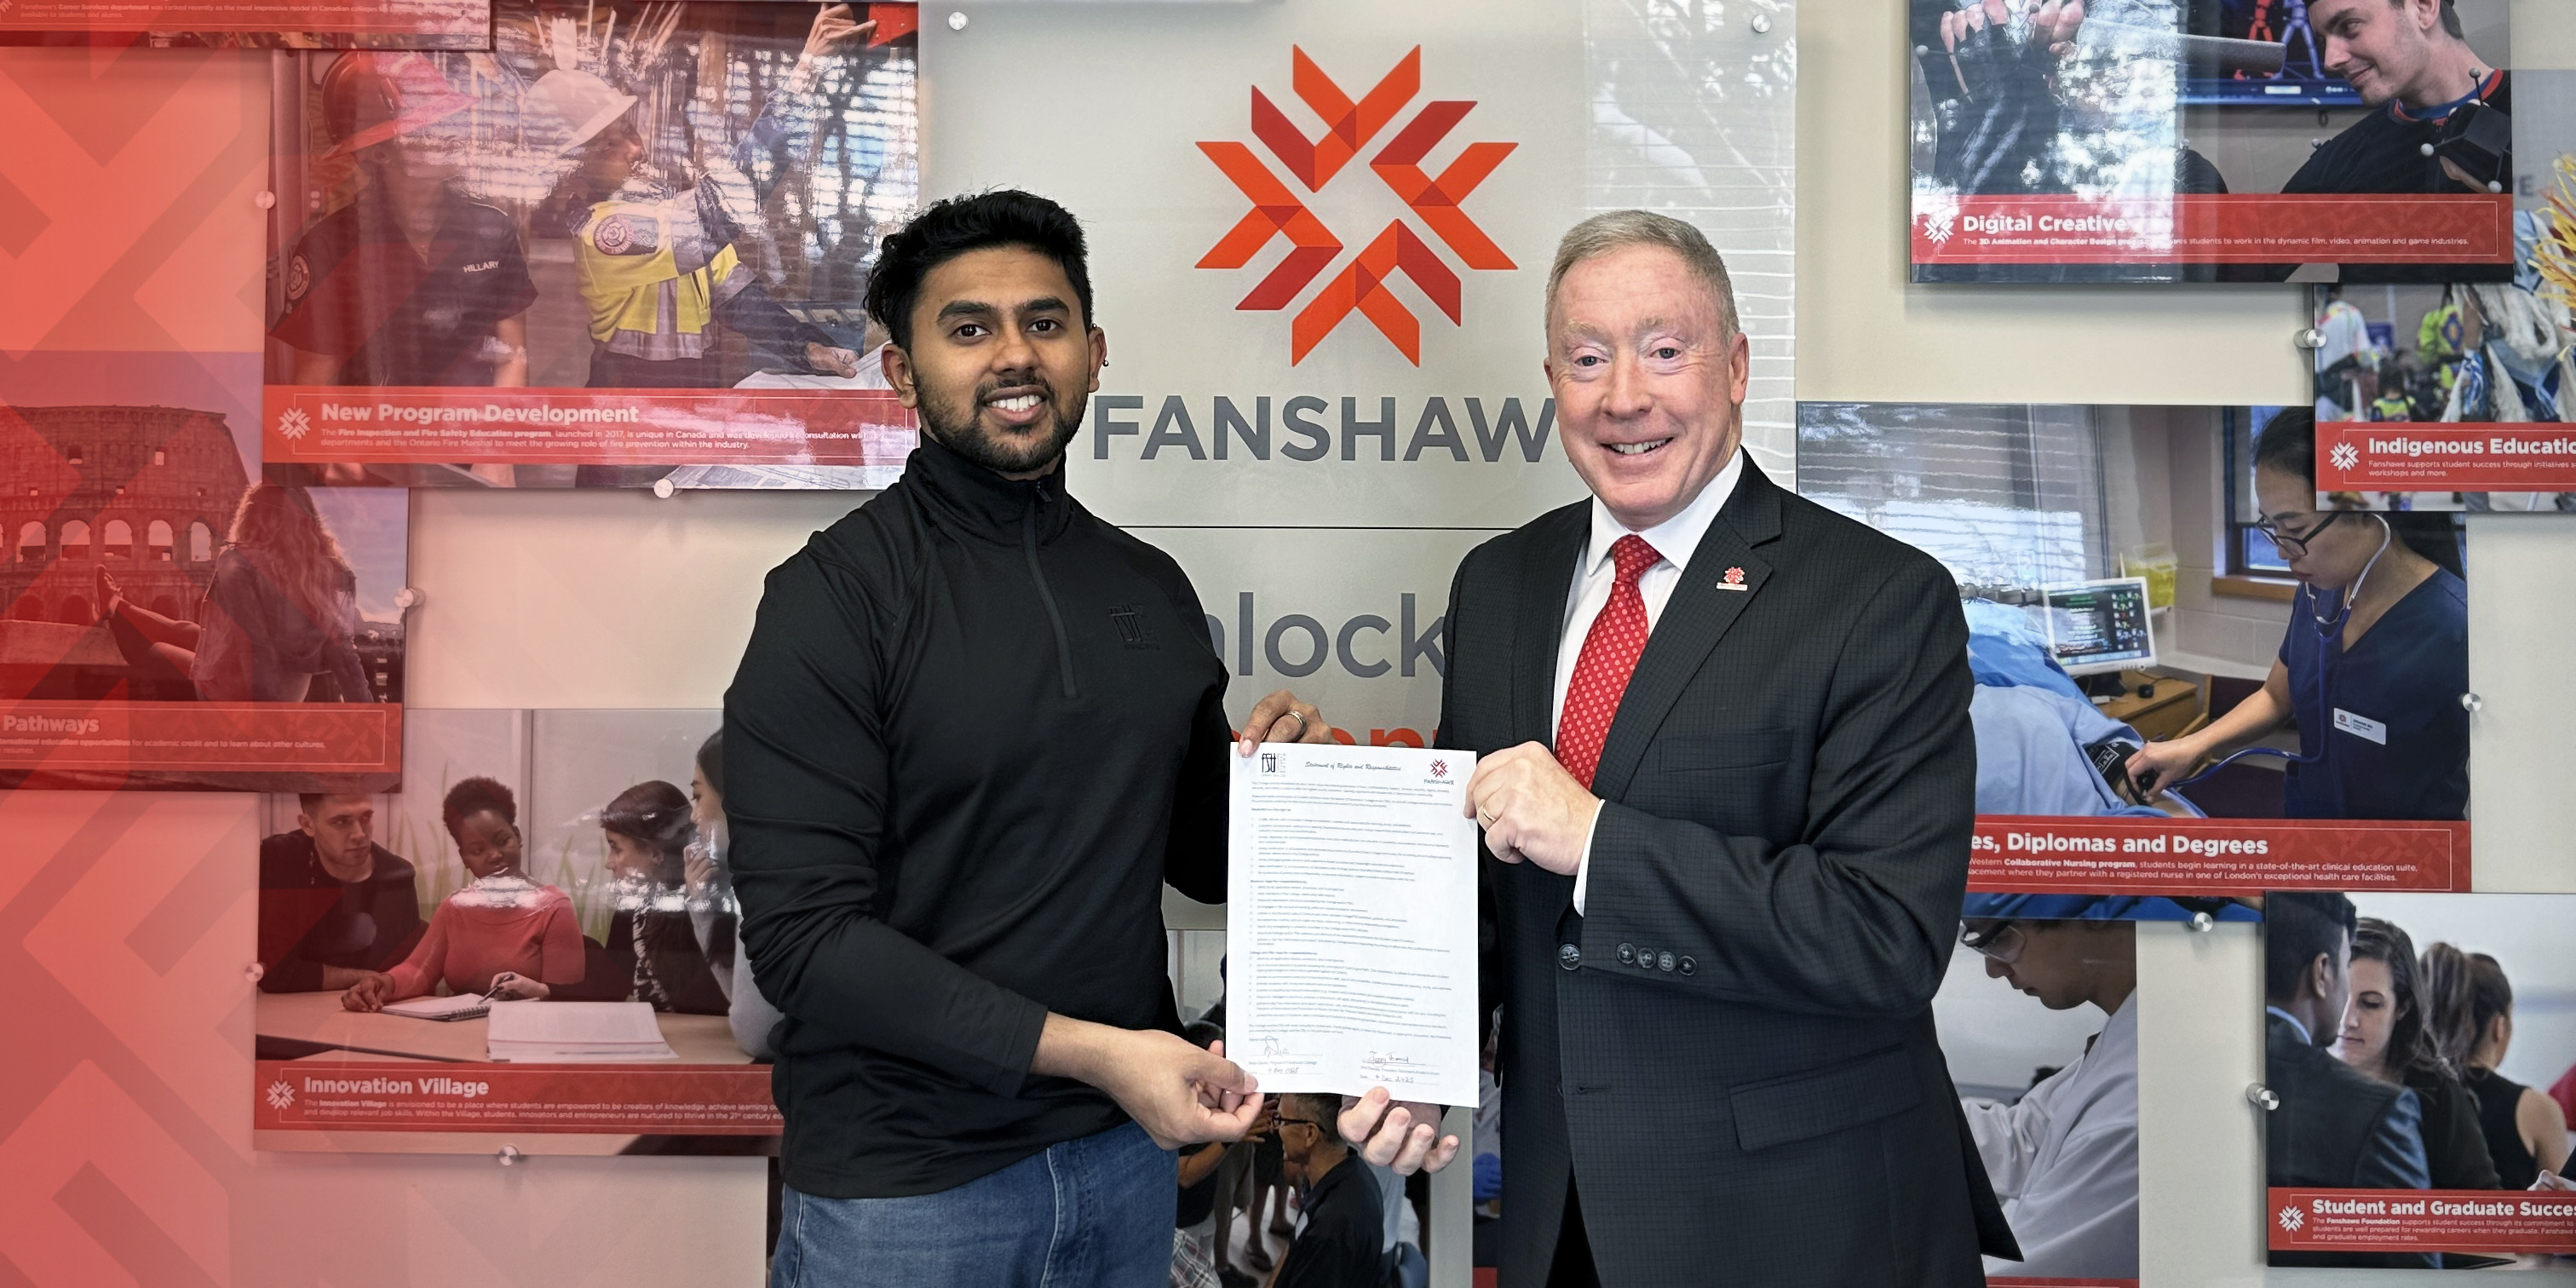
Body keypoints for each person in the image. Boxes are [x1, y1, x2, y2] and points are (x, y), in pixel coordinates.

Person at [723, 190, 1431, 1288]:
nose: (1015, 356)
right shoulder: (833, 600)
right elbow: (805, 943)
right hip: (905, 1194)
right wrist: (1101, 1054)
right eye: (969, 328)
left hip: (1117, 1171)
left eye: (1045, 324)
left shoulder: (1147, 589)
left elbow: (1199, 858)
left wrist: (1287, 782)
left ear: (1094, 353)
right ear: (902, 374)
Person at [1442, 210, 2013, 1286]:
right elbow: (1479, 894)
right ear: (1552, 379)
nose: (1625, 398)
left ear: (1738, 366)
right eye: (1587, 358)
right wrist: (1403, 1062)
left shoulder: (1877, 600)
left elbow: (1884, 936)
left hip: (1799, 1221)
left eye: (1666, 351)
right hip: (1560, 1215)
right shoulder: (1497, 587)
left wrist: (1598, 840)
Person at [2127, 411, 2467, 819]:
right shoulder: (2317, 594)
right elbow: (2276, 696)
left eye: (2294, 528)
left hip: (2404, 863)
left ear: (2366, 510)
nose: (2281, 551)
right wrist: (2195, 745)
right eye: (2271, 527)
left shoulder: (2457, 627)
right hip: (2308, 832)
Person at [270, 52, 536, 387]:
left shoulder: (492, 231)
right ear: (379, 153)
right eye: (430, 126)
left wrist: (490, 433)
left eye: (449, 118)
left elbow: (511, 357)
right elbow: (314, 383)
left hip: (469, 429)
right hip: (374, 433)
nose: (451, 133)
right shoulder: (330, 247)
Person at [1956, 913, 2137, 1281]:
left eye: (1999, 937)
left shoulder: (2138, 1100)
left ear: (2096, 912)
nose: (1994, 969)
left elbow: (2019, 1274)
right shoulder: (2128, 1034)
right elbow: (2022, 1140)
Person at [2263, 892, 2433, 1269]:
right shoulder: (2378, 1110)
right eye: (2344, 967)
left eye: (2370, 1002)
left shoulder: (2185, 1070)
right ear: (2323, 973)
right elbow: (2418, 1274)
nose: (2349, 1016)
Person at [95, 484, 377, 704]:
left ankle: (114, 607)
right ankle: (116, 605)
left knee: (155, 651)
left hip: (247, 696)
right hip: (290, 691)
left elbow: (256, 643)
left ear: (252, 517)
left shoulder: (241, 562)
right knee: (191, 630)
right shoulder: (331, 569)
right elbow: (343, 650)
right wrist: (367, 714)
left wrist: (263, 717)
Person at [343, 778, 586, 1010]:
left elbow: (562, 1001)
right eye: (478, 850)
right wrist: (384, 984)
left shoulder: (553, 908)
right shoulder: (455, 908)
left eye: (502, 841)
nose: (494, 855)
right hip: (458, 1035)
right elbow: (418, 970)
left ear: (518, 837)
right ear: (465, 859)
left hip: (526, 1039)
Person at [2332, 917, 2499, 1192]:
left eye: (2370, 1004)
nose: (2347, 1019)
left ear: (2402, 1008)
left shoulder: (2435, 1093)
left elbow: (2483, 1202)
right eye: (2339, 995)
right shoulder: (2296, 1079)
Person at [565, 780, 727, 1015]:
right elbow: (615, 982)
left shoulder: (703, 904)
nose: (609, 863)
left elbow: (703, 1004)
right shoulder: (635, 901)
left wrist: (700, 906)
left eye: (616, 848)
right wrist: (543, 989)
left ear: (655, 852)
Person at [2421, 943, 2572, 1189]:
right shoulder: (2537, 1111)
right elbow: (2562, 1217)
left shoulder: (2405, 1096)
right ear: (2499, 1026)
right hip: (2508, 1227)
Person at [256, 792, 423, 992]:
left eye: (366, 818)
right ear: (308, 825)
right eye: (341, 822)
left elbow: (403, 974)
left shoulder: (397, 877)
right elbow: (275, 973)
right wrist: (365, 977)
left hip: (371, 1013)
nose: (360, 834)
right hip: (290, 1011)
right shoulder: (280, 858)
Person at [685, 732, 785, 1058]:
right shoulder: (757, 874)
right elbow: (743, 1008)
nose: (693, 816)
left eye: (699, 797)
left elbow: (756, 1032)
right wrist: (704, 908)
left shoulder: (771, 882)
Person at [1269, 1093, 1387, 1288]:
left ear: (1310, 1134)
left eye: (1281, 1121)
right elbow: (1296, 1243)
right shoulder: (1349, 1172)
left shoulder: (1332, 1226)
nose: (1276, 1129)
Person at [1171, 1021, 1231, 1288]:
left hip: (1205, 1212)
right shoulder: (1172, 1111)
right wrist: (1229, 1141)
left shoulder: (1212, 1105)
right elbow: (1185, 1175)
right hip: (1180, 1224)